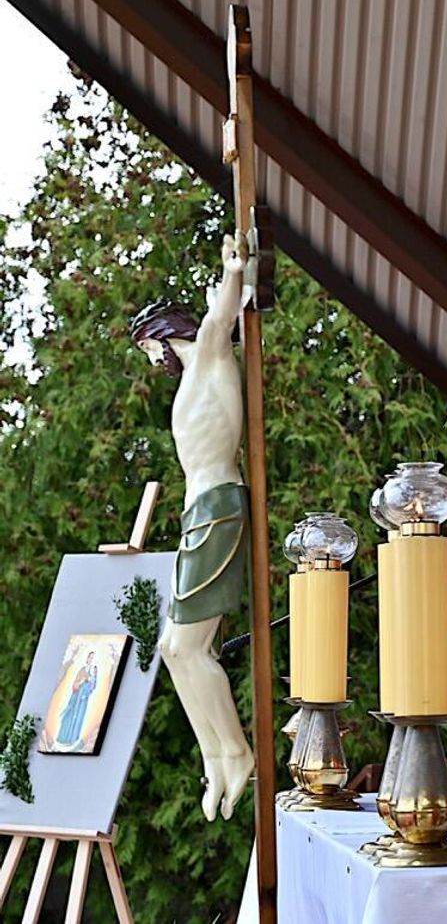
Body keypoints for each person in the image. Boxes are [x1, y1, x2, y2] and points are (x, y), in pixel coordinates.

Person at [131, 232, 256, 822]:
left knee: (186, 646)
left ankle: (236, 751)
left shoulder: (207, 355)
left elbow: (220, 318)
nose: (149, 361)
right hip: (200, 513)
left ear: (162, 337)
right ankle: (216, 755)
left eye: (147, 349)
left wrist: (233, 272)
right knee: (173, 649)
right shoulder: (191, 379)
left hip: (218, 508)